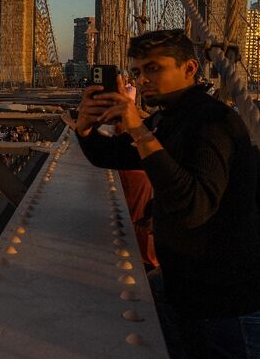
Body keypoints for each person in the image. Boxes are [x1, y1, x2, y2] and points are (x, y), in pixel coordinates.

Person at [75, 29, 260, 358]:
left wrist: (136, 127)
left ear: (190, 68)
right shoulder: (168, 118)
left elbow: (192, 207)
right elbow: (113, 155)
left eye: (153, 68)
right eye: (137, 71)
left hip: (224, 306)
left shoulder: (212, 122)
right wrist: (85, 129)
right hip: (187, 290)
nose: (142, 79)